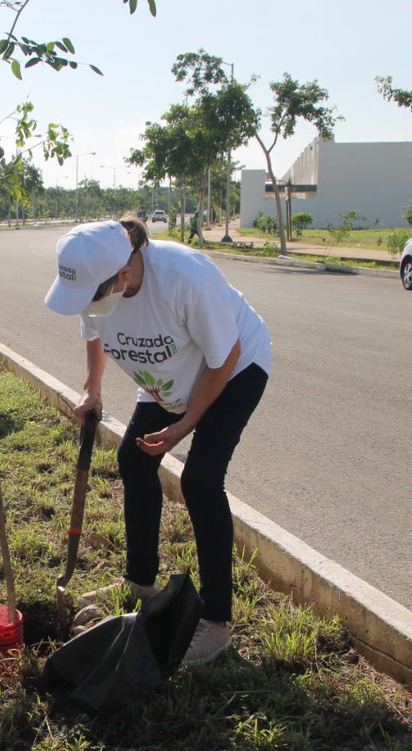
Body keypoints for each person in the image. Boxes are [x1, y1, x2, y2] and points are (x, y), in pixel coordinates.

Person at [44, 215, 271, 667]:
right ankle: (141, 582)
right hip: (166, 379)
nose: (88, 304)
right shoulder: (98, 285)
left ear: (125, 272)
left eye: (93, 294)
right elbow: (95, 334)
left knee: (201, 481)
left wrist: (184, 425)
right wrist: (93, 389)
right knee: (134, 461)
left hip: (233, 369)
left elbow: (225, 357)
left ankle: (217, 622)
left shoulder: (185, 278)